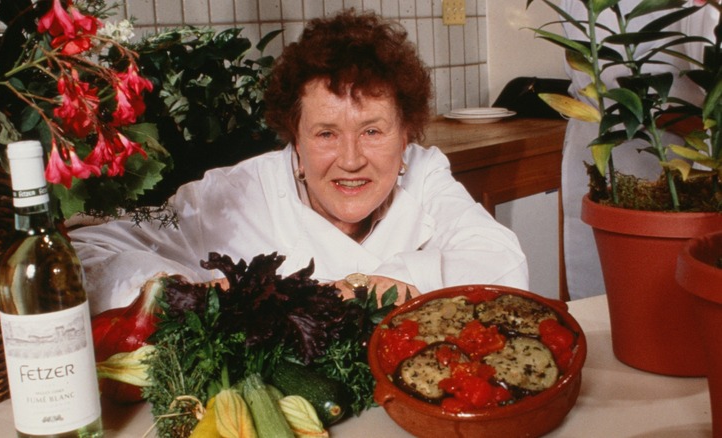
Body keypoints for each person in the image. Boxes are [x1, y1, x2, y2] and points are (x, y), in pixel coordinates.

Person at [69, 9, 529, 315]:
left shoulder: (425, 174)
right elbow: (85, 250)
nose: (351, 160)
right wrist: (182, 291)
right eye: (326, 134)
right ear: (294, 138)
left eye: (372, 131)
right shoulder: (232, 193)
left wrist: (369, 287)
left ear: (405, 133)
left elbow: (505, 266)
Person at [559, 0, 719, 300]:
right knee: (627, 301)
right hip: (625, 150)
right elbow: (611, 77)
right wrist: (700, 126)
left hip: (697, 148)